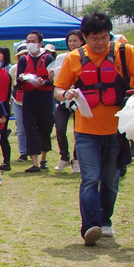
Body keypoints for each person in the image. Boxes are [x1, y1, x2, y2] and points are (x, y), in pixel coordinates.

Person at [54, 12, 134, 245]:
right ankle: (90, 226)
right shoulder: (73, 58)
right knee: (90, 178)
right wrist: (65, 94)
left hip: (116, 131)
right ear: (84, 37)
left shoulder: (124, 52)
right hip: (86, 131)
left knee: (110, 179)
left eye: (104, 37)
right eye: (95, 38)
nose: (100, 43)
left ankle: (105, 220)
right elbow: (58, 89)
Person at [14, 31, 55, 171]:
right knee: (30, 128)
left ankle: (44, 158)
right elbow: (18, 82)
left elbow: (54, 81)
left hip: (45, 98)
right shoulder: (23, 60)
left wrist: (45, 82)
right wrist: (21, 79)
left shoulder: (48, 58)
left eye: (33, 41)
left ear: (40, 43)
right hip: (29, 98)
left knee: (45, 127)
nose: (30, 44)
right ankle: (35, 162)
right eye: (28, 41)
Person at [51, 30, 85, 172]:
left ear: (82, 41)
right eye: (70, 41)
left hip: (80, 97)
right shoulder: (62, 57)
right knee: (60, 128)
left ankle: (77, 159)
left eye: (75, 41)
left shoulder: (85, 57)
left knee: (79, 130)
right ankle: (64, 157)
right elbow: (57, 80)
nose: (72, 44)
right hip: (64, 97)